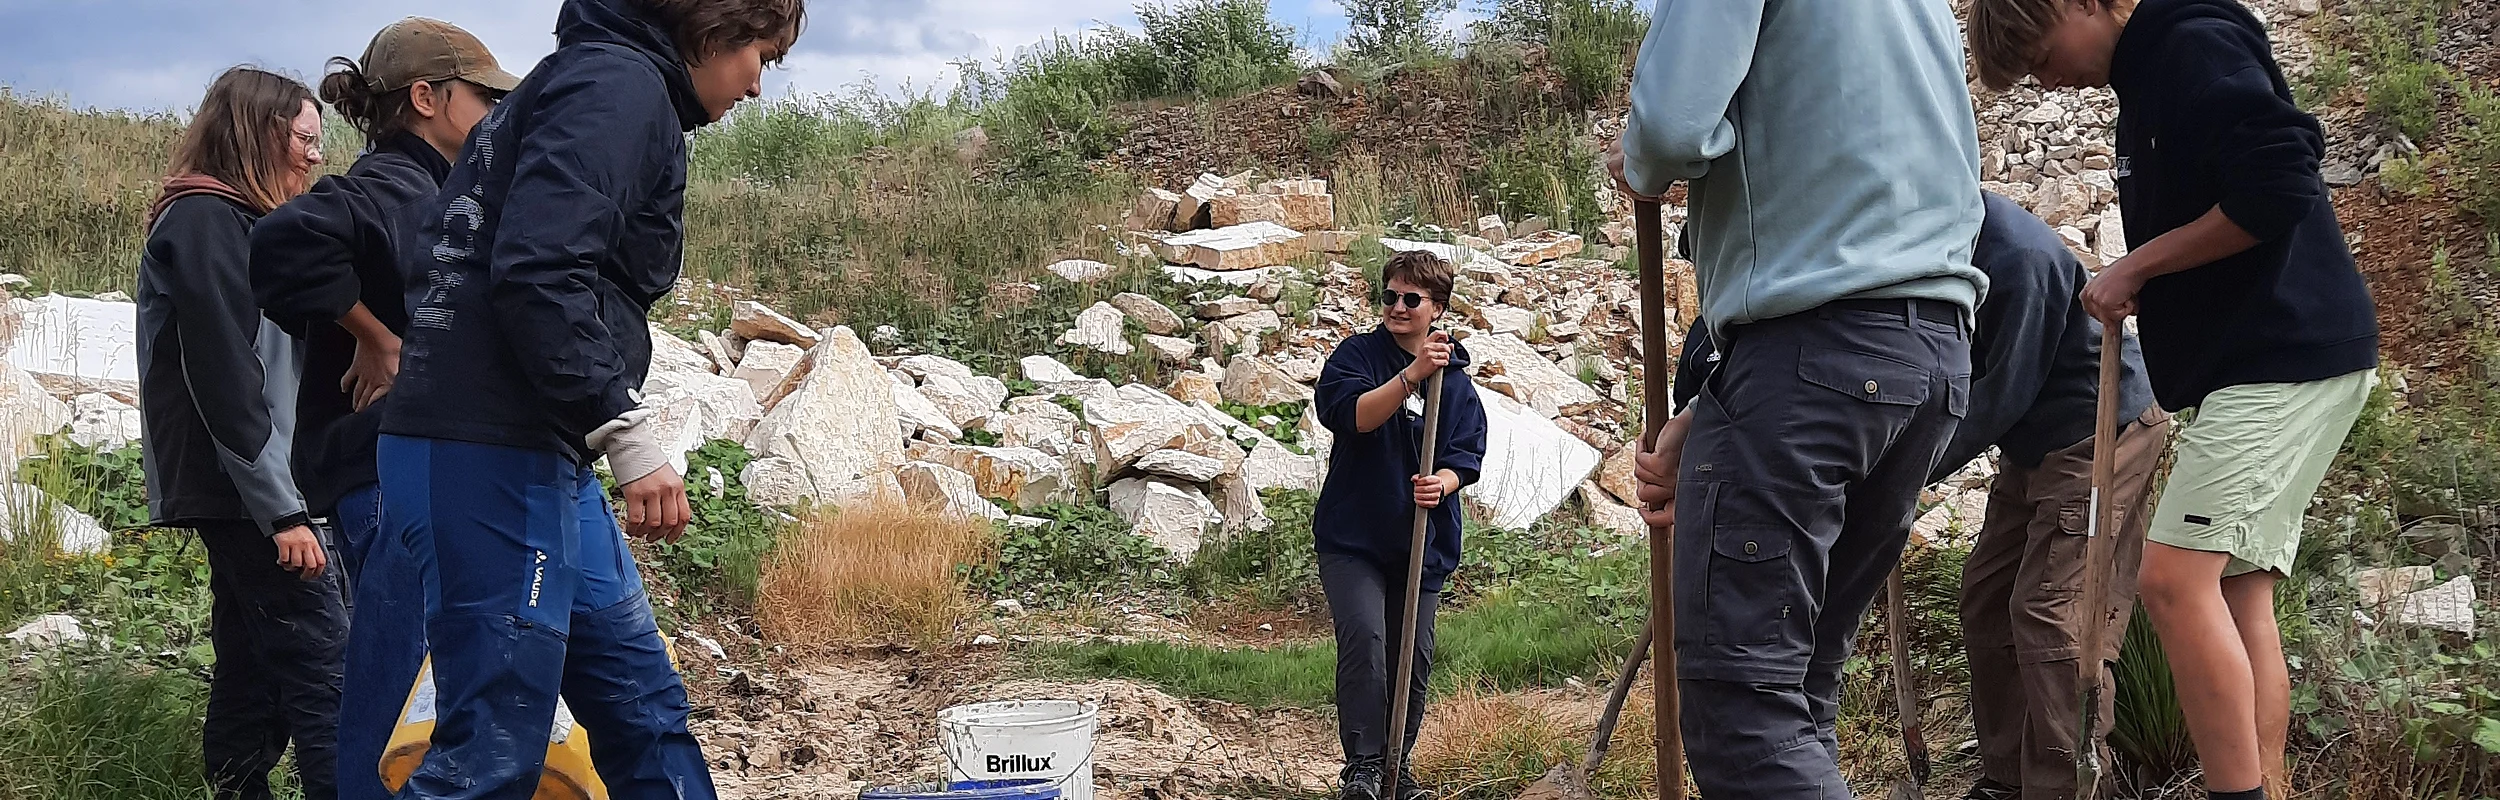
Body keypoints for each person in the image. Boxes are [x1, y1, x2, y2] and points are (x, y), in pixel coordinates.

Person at [374, 0, 803, 796]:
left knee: (641, 707)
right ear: (716, 29)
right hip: (485, 449)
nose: (754, 86)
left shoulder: (601, 84)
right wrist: (624, 431)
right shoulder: (616, 86)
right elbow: (539, 270)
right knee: (493, 746)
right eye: (760, 57)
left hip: (538, 447)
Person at [1963, 2, 2381, 799]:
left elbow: (2281, 178)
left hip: (2283, 358)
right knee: (2234, 590)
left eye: (2045, 56)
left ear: (2080, 4)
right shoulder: (2147, 79)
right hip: (2264, 364)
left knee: (2170, 581)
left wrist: (2138, 266)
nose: (2049, 80)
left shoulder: (2191, 44)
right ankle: (2265, 787)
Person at [1665, 193, 2168, 800]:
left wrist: (1881, 468)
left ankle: (2069, 788)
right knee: (1988, 603)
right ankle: (2007, 782)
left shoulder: (2015, 255)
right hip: (2032, 443)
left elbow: (1989, 396)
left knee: (2052, 616)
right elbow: (1734, 356)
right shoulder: (1860, 251)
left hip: (2099, 432)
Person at [1605, 0, 1988, 794]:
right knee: (1799, 687)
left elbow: (1672, 126)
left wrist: (1642, 162)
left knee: (1742, 713)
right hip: (1929, 356)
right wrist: (1719, 404)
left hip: (1814, 353)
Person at [248, 19, 518, 800]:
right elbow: (280, 242)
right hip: (382, 477)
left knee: (416, 683)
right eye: (482, 97)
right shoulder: (388, 185)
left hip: (396, 474)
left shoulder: (441, 187)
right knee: (397, 683)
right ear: (427, 98)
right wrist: (375, 338)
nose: (495, 114)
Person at [135, 66, 345, 800]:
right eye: (305, 139)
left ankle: (235, 790)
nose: (316, 156)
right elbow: (224, 372)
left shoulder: (241, 222)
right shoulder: (202, 220)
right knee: (329, 671)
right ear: (258, 135)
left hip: (258, 491)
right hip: (245, 493)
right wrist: (284, 510)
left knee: (256, 672)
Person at [1311, 251, 1490, 800]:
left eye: (1412, 298)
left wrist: (1443, 483)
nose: (1397, 306)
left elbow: (1466, 455)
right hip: (1354, 537)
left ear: (1437, 308)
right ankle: (1363, 767)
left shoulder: (1455, 381)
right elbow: (1354, 414)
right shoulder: (1358, 355)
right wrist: (1412, 377)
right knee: (1366, 639)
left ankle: (1396, 766)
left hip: (1422, 542)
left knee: (1412, 652)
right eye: (1390, 295)